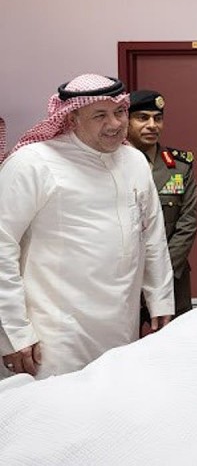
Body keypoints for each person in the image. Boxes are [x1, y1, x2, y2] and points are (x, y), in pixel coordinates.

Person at [0, 74, 174, 379]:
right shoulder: (32, 163)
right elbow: (2, 245)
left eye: (119, 112)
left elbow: (152, 237)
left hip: (121, 325)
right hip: (54, 334)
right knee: (54, 405)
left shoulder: (134, 161)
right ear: (72, 118)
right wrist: (15, 332)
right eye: (99, 115)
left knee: (113, 398)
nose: (115, 124)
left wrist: (160, 299)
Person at [127, 90, 197, 336]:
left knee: (173, 343)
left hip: (172, 277)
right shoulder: (113, 164)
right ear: (126, 121)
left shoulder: (179, 166)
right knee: (122, 346)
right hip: (125, 278)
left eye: (157, 118)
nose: (152, 125)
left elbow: (188, 223)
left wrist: (161, 272)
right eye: (142, 118)